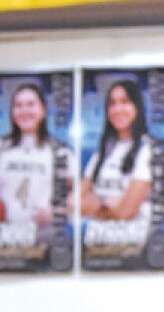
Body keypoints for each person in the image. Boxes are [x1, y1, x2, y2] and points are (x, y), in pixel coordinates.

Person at [79, 78, 155, 225]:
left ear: (137, 107)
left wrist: (97, 204)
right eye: (112, 103)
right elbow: (75, 202)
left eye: (125, 102)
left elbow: (126, 212)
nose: (118, 109)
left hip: (132, 240)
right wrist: (105, 203)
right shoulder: (103, 151)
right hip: (97, 238)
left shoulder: (148, 150)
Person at [0, 81, 72, 226]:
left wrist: (58, 212)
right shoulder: (2, 148)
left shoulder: (59, 151)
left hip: (43, 238)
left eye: (31, 104)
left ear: (43, 110)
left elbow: (80, 193)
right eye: (18, 106)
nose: (24, 111)